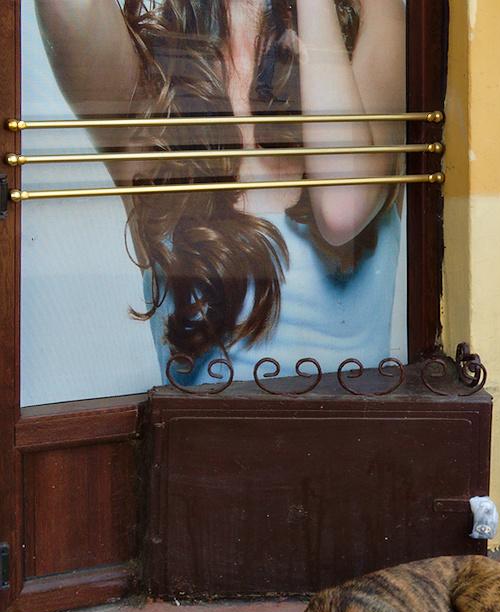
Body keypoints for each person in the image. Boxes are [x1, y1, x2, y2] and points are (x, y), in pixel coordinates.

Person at [34, 0, 407, 384]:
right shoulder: (152, 87)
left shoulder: (376, 18)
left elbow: (342, 208)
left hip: (362, 423)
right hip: (202, 425)